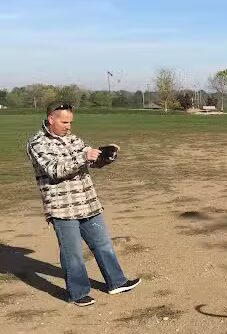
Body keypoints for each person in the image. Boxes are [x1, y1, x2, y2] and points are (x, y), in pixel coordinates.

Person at [26, 101, 141, 306]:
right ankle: (78, 293)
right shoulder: (37, 143)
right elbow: (54, 170)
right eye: (64, 122)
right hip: (62, 207)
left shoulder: (73, 139)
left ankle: (117, 282)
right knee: (73, 253)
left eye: (70, 122)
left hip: (88, 202)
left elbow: (90, 161)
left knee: (103, 244)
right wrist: (83, 157)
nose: (68, 126)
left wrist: (105, 157)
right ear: (51, 119)